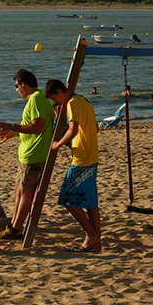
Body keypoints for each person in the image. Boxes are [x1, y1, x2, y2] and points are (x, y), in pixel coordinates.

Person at [0, 69, 54, 240]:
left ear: (23, 84)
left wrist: (13, 127)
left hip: (33, 154)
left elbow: (37, 127)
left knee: (26, 192)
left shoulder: (36, 100)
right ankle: (14, 223)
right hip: (27, 153)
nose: (16, 90)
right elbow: (31, 127)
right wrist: (15, 133)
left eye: (16, 86)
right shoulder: (39, 98)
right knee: (19, 189)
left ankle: (16, 229)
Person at [44, 79, 101, 253]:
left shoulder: (73, 103)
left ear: (60, 91)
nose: (56, 102)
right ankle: (96, 243)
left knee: (67, 199)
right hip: (92, 154)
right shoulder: (84, 100)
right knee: (91, 203)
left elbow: (73, 129)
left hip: (82, 158)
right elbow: (95, 128)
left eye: (55, 98)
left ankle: (91, 235)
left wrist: (58, 144)